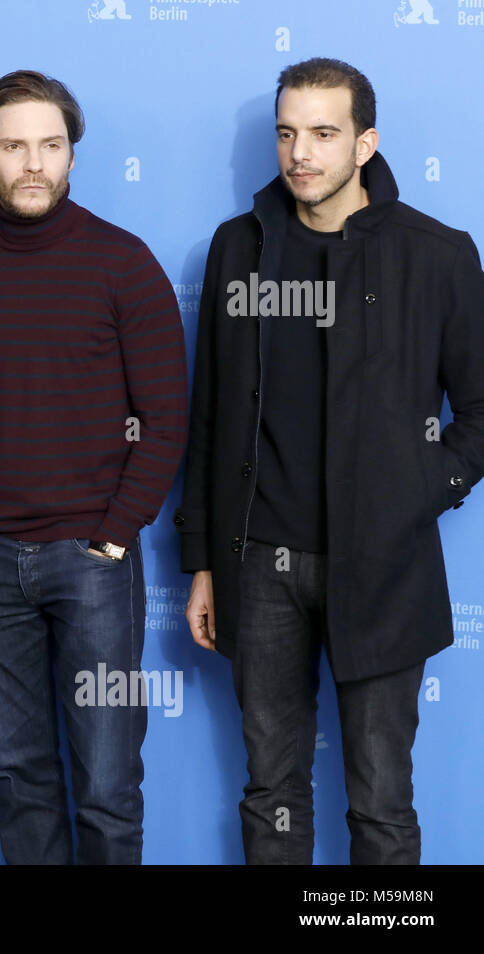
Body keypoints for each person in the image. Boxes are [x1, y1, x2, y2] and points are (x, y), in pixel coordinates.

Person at [176, 57, 484, 864]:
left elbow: (482, 412)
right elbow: (209, 414)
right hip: (260, 571)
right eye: (286, 133)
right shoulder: (238, 247)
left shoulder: (437, 254)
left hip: (383, 567)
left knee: (381, 802)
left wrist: (421, 489)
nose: (300, 153)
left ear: (366, 143)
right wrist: (203, 564)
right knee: (270, 793)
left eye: (322, 133)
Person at [0, 70, 188, 864]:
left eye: (49, 145)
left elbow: (166, 418)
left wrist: (113, 537)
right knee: (20, 778)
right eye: (12, 146)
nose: (32, 163)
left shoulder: (123, 262)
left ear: (72, 155)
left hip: (92, 562)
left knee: (107, 784)